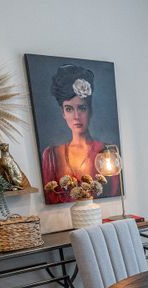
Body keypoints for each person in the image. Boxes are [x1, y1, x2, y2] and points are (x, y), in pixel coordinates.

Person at [42, 64, 120, 204]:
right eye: (69, 109)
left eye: (82, 108)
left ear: (90, 110)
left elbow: (115, 192)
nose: (76, 116)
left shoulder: (107, 153)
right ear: (63, 113)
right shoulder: (52, 156)